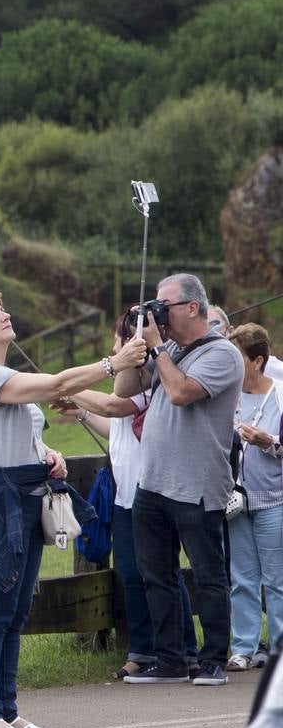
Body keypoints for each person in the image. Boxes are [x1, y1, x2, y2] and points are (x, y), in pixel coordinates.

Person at [0, 289, 145, 728]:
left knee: (16, 612)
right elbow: (56, 385)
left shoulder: (6, 375)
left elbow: (25, 431)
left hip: (29, 491)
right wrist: (115, 363)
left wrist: (49, 454)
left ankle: (8, 712)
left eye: (2, 309)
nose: (5, 315)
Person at [53, 308, 199, 680]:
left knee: (162, 573)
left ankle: (184, 648)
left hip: (151, 491)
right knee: (131, 574)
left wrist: (67, 387)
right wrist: (81, 413)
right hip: (124, 495)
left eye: (120, 340)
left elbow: (114, 403)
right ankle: (143, 648)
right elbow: (114, 424)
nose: (115, 346)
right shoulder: (136, 383)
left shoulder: (150, 383)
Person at [115, 274, 243, 687]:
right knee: (157, 575)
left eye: (163, 305)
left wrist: (155, 347)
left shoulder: (222, 354)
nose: (157, 312)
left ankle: (213, 661)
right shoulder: (166, 348)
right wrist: (134, 348)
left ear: (192, 307)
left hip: (198, 483)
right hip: (152, 481)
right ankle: (170, 659)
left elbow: (181, 393)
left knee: (208, 576)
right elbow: (122, 392)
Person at [225, 324, 283, 671]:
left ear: (258, 361)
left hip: (273, 498)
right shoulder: (227, 395)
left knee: (275, 579)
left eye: (238, 357)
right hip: (234, 501)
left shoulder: (280, 396)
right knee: (241, 578)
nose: (230, 363)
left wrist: (269, 442)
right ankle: (243, 648)